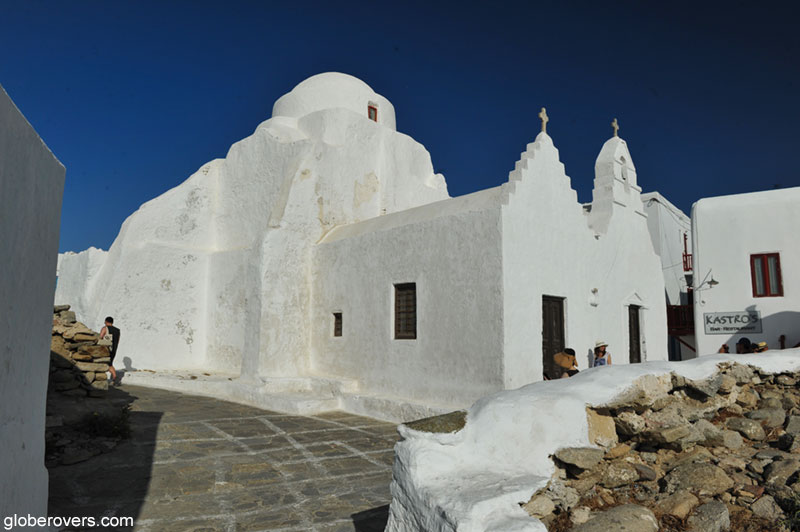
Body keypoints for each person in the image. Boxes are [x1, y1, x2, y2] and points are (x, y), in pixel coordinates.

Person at [99, 316, 121, 384]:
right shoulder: (118, 330)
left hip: (106, 349)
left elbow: (100, 337)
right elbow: (118, 340)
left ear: (106, 321)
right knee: (110, 363)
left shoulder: (105, 328)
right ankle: (114, 378)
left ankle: (113, 377)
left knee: (105, 363)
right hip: (114, 349)